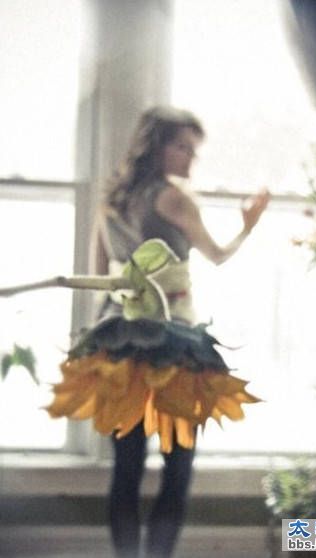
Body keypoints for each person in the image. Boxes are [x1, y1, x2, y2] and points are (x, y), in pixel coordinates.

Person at [91, 106, 269, 558]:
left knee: (126, 469)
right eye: (182, 147)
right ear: (156, 147)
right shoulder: (173, 199)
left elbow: (98, 276)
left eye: (194, 149)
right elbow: (217, 255)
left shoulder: (110, 200)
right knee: (178, 468)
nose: (191, 158)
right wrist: (248, 227)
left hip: (119, 342)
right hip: (171, 345)